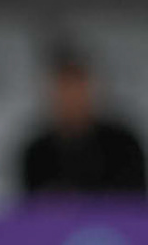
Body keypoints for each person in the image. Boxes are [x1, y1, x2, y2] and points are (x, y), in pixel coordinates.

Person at [18, 47, 146, 197]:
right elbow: (30, 209)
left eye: (78, 87)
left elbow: (135, 206)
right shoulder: (37, 152)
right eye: (65, 88)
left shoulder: (123, 145)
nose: (72, 98)